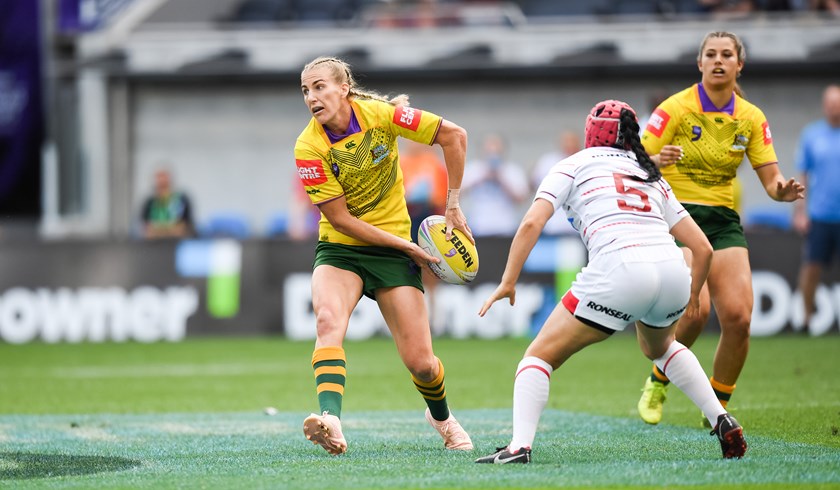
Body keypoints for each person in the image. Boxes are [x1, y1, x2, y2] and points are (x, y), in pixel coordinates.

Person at [474, 99, 746, 464]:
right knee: (661, 348)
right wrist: (693, 294)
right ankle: (721, 418)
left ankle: (519, 447)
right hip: (671, 270)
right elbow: (702, 247)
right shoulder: (650, 171)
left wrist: (508, 281)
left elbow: (530, 224)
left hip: (620, 267)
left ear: (590, 132)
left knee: (537, 357)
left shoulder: (573, 163)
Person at [294, 56, 474, 455]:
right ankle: (330, 418)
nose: (312, 97)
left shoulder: (382, 115)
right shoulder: (308, 146)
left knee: (423, 364)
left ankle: (442, 419)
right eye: (306, 90)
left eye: (320, 86)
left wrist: (453, 205)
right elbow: (340, 220)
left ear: (344, 87)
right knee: (327, 320)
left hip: (391, 253)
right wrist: (407, 246)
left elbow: (455, 136)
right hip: (343, 250)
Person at [636, 31, 805, 427]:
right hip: (678, 215)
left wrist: (783, 192)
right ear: (700, 63)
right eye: (710, 54)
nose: (718, 60)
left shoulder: (751, 117)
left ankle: (716, 407)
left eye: (726, 54)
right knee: (696, 311)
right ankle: (658, 382)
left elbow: (771, 181)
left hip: (723, 220)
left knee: (740, 318)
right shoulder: (674, 107)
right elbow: (634, 158)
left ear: (738, 65)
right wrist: (658, 158)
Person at [793, 85, 840, 330]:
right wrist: (800, 212)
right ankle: (807, 318)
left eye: (837, 102)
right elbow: (803, 176)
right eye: (830, 102)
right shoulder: (812, 135)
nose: (834, 107)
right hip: (820, 215)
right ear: (824, 105)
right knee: (811, 268)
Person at [461, 133, 530, 236]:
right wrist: (481, 178)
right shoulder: (473, 169)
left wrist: (501, 179)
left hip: (506, 227)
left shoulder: (513, 171)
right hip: (479, 226)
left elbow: (521, 199)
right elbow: (457, 193)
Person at [530, 130, 581, 235]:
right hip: (553, 225)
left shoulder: (585, 161)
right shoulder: (548, 161)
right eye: (566, 141)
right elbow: (533, 186)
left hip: (578, 227)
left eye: (572, 141)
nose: (569, 144)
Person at [139, 168, 196, 239]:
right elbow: (147, 229)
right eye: (160, 184)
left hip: (176, 244)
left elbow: (183, 228)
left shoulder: (181, 200)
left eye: (164, 184)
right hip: (154, 245)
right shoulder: (150, 202)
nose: (162, 182)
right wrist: (169, 230)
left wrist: (159, 230)